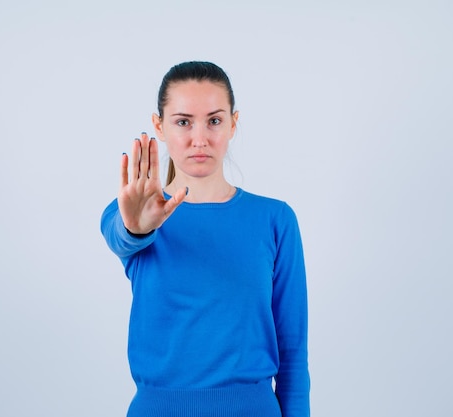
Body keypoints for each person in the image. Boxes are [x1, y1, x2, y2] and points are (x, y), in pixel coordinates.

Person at [100, 61, 310, 417]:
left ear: (233, 123)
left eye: (214, 121)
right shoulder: (133, 213)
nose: (200, 139)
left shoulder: (275, 219)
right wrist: (138, 227)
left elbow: (292, 349)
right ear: (159, 126)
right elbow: (123, 236)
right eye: (183, 122)